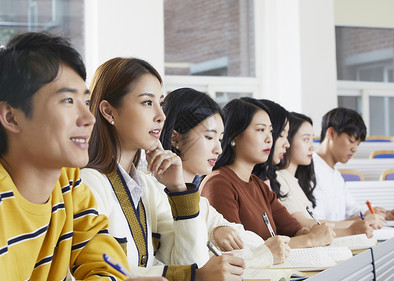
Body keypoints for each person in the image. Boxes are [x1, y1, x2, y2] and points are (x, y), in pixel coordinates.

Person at [0, 33, 173, 281]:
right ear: (11, 116)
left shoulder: (67, 182)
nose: (88, 118)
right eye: (67, 101)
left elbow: (112, 270)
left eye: (85, 102)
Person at [80, 57, 245, 281]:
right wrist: (191, 279)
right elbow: (108, 278)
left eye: (161, 103)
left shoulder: (146, 186)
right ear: (108, 111)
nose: (161, 115)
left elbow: (191, 264)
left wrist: (179, 190)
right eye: (147, 103)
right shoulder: (89, 183)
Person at [160, 88, 290, 266]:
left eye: (219, 139)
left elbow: (245, 237)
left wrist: (216, 231)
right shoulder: (157, 194)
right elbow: (193, 267)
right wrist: (263, 255)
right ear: (175, 139)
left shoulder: (199, 201)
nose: (218, 149)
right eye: (209, 137)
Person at [200, 97, 335, 248]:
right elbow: (239, 250)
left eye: (270, 131)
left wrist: (310, 233)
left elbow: (294, 230)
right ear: (234, 136)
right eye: (260, 130)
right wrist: (310, 239)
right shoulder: (218, 183)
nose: (269, 139)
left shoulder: (258, 184)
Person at [276, 112, 374, 237]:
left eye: (312, 139)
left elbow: (350, 208)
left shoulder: (297, 179)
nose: (312, 147)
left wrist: (365, 218)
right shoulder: (281, 178)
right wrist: (354, 226)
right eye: (306, 139)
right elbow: (306, 224)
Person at [313, 107, 393, 223]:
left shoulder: (335, 175)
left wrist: (382, 214)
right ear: (331, 133)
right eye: (351, 141)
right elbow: (316, 223)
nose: (355, 149)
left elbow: (353, 210)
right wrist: (362, 219)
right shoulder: (310, 170)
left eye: (358, 144)